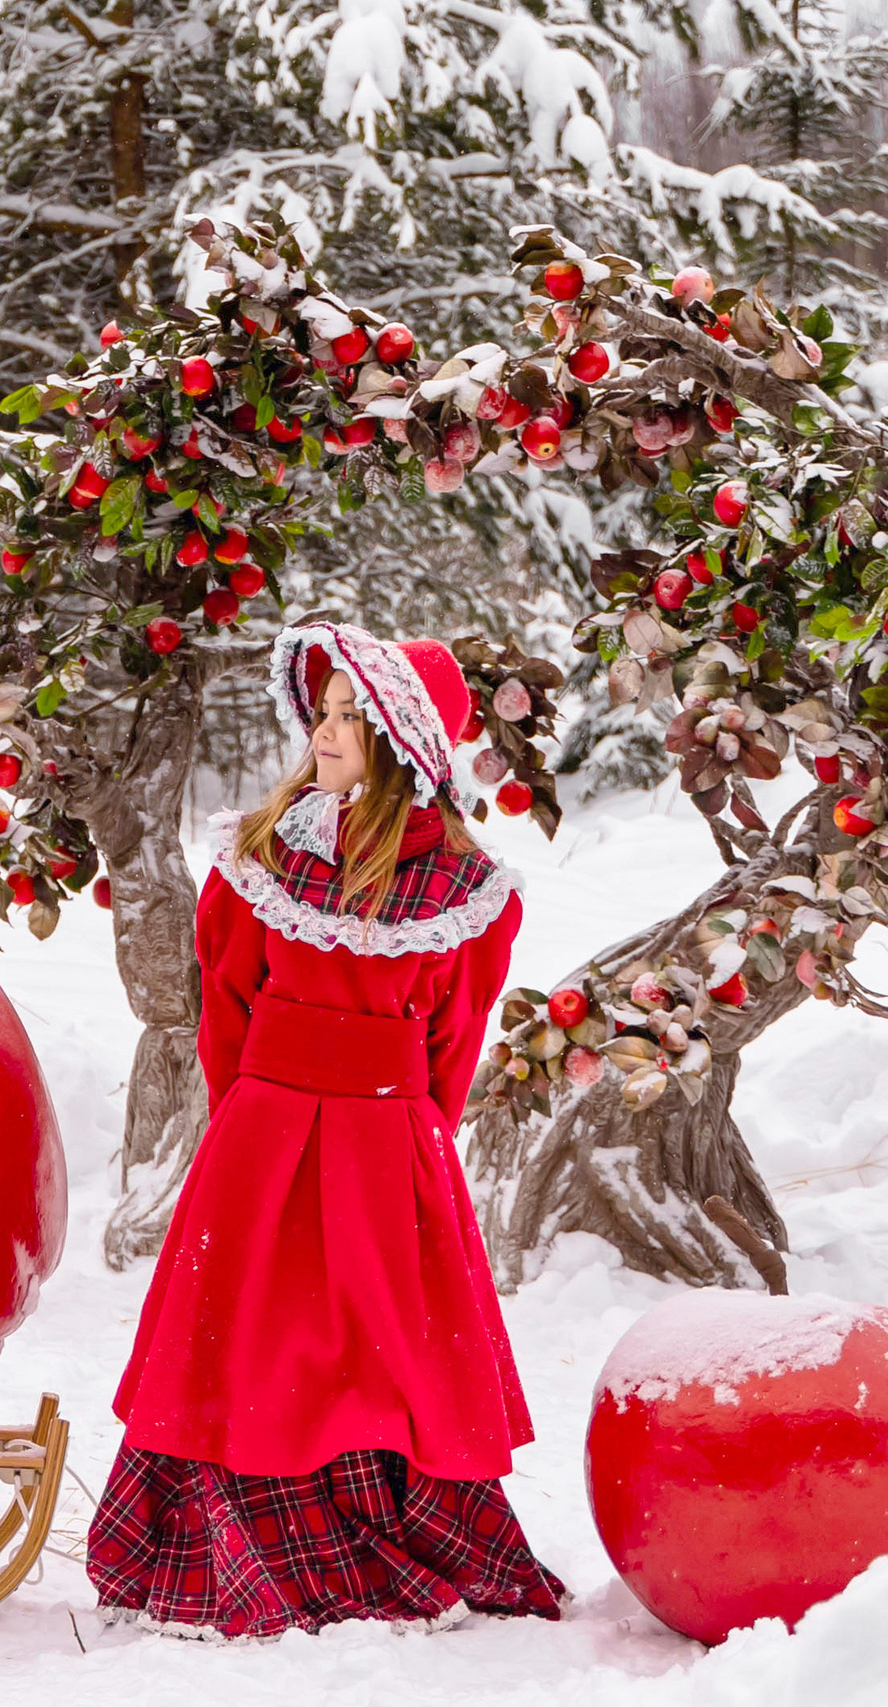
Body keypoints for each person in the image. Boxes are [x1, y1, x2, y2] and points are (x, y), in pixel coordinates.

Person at [87, 621, 566, 1640]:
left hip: (385, 1139)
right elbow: (225, 996)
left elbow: (455, 1034)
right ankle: (242, 1527)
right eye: (326, 713)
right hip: (267, 1133)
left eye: (353, 716)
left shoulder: (466, 892)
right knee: (256, 1337)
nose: (326, 732)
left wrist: (402, 1140)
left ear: (403, 742)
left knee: (375, 1345)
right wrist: (255, 1115)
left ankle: (377, 1524)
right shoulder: (263, 856)